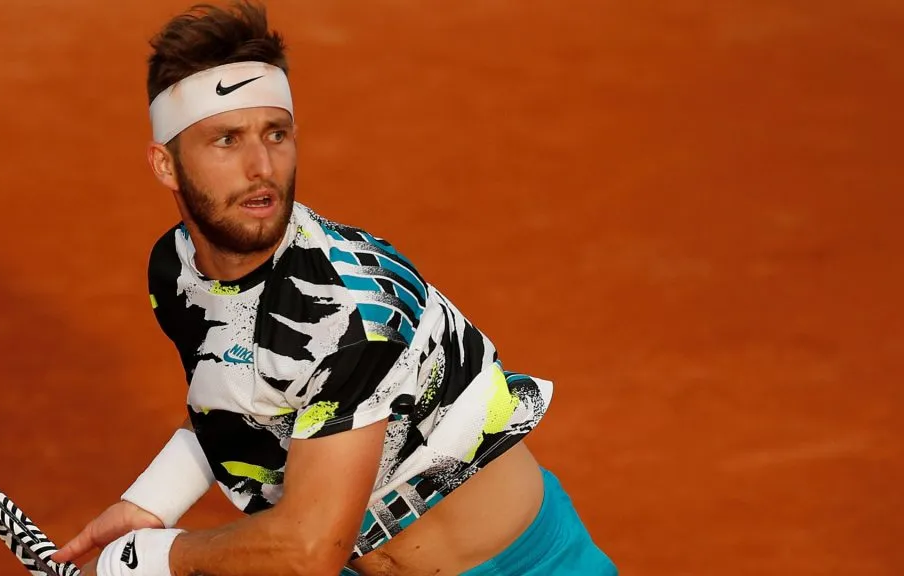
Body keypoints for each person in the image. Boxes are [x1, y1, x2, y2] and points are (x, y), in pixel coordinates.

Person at [51, 2, 617, 574]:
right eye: (226, 140)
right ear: (165, 165)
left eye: (276, 134)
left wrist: (158, 558)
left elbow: (307, 551)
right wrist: (152, 501)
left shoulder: (345, 309)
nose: (261, 166)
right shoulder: (176, 274)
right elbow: (242, 390)